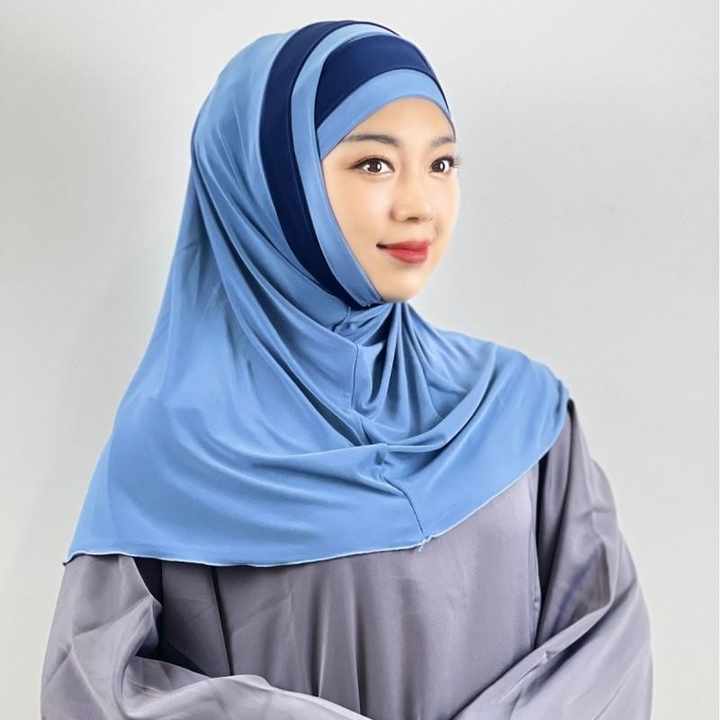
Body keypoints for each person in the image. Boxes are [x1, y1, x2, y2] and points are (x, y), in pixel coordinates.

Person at [40, 19, 654, 719]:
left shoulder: (519, 412)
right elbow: (95, 690)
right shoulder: (173, 452)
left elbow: (606, 645)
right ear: (272, 185)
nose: (419, 205)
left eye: (441, 164)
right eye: (374, 165)